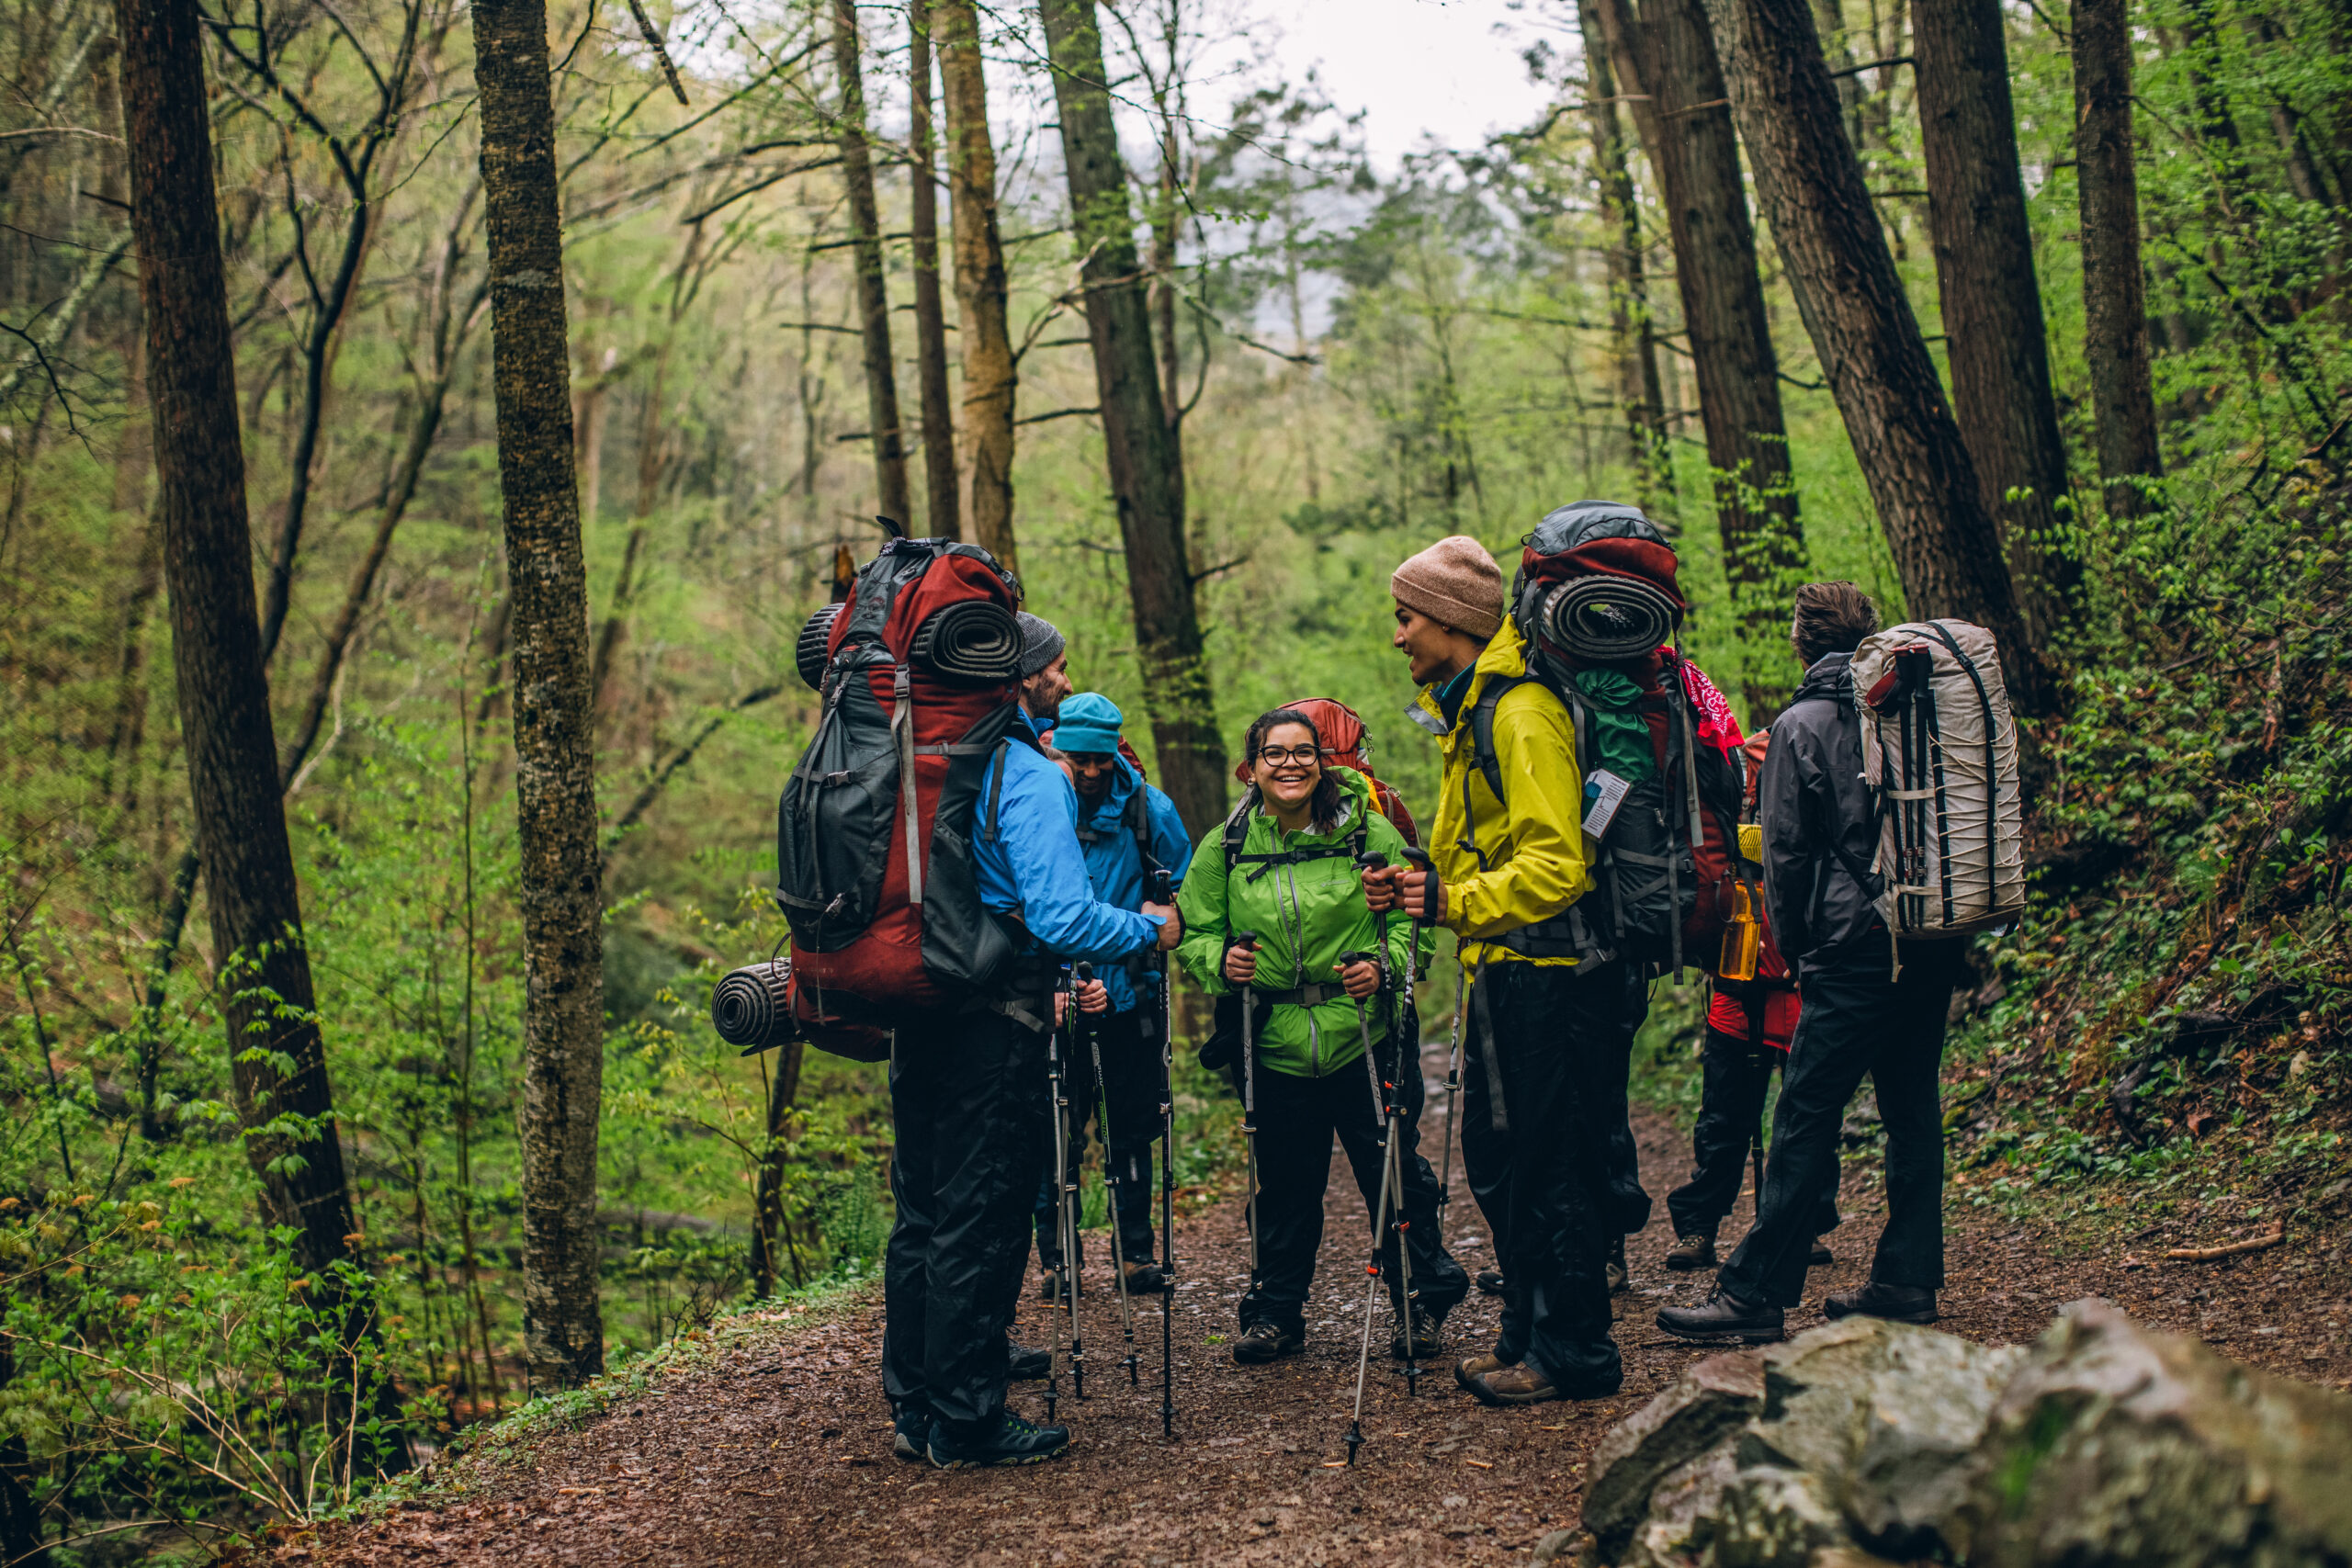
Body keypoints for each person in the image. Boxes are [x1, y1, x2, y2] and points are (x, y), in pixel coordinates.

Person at [883, 640, 1183, 1470]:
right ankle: (967, 1417)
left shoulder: (918, 756)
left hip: (918, 1004)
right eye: (1053, 667)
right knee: (983, 1214)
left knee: (924, 1210)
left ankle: (914, 1402)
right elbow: (1060, 915)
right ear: (1017, 680)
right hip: (998, 1013)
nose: (1063, 678)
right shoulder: (1023, 768)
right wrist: (1148, 929)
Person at [1658, 583, 1968, 1343]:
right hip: (1927, 935)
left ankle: (1756, 1293)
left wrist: (1795, 948)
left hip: (1850, 950)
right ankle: (1906, 1277)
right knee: (1911, 1106)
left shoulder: (1801, 723)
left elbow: (1788, 856)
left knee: (1803, 1111)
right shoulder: (1909, 705)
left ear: (1800, 643)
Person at [1365, 534, 1634, 1407]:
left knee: (1550, 1164)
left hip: (1550, 975)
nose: (1399, 635)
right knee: (1505, 1159)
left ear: (1450, 619)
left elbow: (1560, 865)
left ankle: (1574, 1351)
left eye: (1406, 617)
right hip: (1507, 970)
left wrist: (1450, 903)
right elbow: (1484, 848)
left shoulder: (1517, 714)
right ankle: (1526, 1331)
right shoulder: (1471, 707)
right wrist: (1427, 881)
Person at [1175, 706, 1466, 1364]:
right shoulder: (1226, 844)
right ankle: (1275, 1313)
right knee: (1283, 1182)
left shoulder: (1367, 830)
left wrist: (1385, 967)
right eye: (1273, 754)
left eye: (1302, 752)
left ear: (1322, 760)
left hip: (1366, 1032)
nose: (1290, 765)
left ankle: (1418, 1302)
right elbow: (1194, 932)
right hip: (1272, 1041)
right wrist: (1222, 963)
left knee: (1393, 1172)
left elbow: (1409, 916)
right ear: (1251, 767)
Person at [1031, 692, 1194, 1296]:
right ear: (1059, 749)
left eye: (1103, 759)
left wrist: (1171, 915)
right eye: (1081, 759)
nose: (1094, 771)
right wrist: (1045, 991)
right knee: (1057, 1133)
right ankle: (1058, 1260)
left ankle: (1135, 1254)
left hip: (1132, 997)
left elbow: (1186, 890)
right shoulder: (1037, 806)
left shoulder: (1150, 811)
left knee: (1131, 1128)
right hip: (1053, 1003)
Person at [1662, 731, 1840, 1273]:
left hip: (1799, 974)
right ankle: (1700, 1225)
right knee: (1724, 1115)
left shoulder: (1816, 767)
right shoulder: (1736, 766)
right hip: (1738, 971)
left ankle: (1800, 1219)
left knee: (1806, 1112)